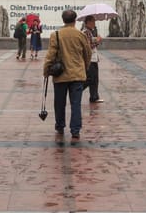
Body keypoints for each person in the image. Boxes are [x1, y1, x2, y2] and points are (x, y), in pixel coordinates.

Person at [43, 9, 91, 141]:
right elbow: (87, 54)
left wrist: (46, 71)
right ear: (75, 20)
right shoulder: (80, 35)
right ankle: (75, 130)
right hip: (77, 74)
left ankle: (60, 126)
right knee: (76, 104)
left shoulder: (56, 35)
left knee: (59, 103)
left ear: (63, 20)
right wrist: (84, 67)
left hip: (60, 75)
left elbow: (50, 55)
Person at [83, 14, 104, 103]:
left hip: (94, 58)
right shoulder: (86, 32)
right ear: (88, 22)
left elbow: (92, 43)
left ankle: (94, 97)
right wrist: (97, 41)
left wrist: (97, 40)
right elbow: (88, 46)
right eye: (93, 21)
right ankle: (77, 90)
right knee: (90, 78)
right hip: (90, 59)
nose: (94, 23)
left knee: (95, 79)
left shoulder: (91, 31)